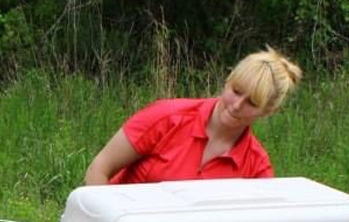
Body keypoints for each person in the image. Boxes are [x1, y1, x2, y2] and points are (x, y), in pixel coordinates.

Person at [84, 47, 302, 186]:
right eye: (236, 91)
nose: (236, 105)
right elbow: (98, 169)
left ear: (267, 111)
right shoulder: (166, 117)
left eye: (252, 103)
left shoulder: (257, 168)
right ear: (227, 81)